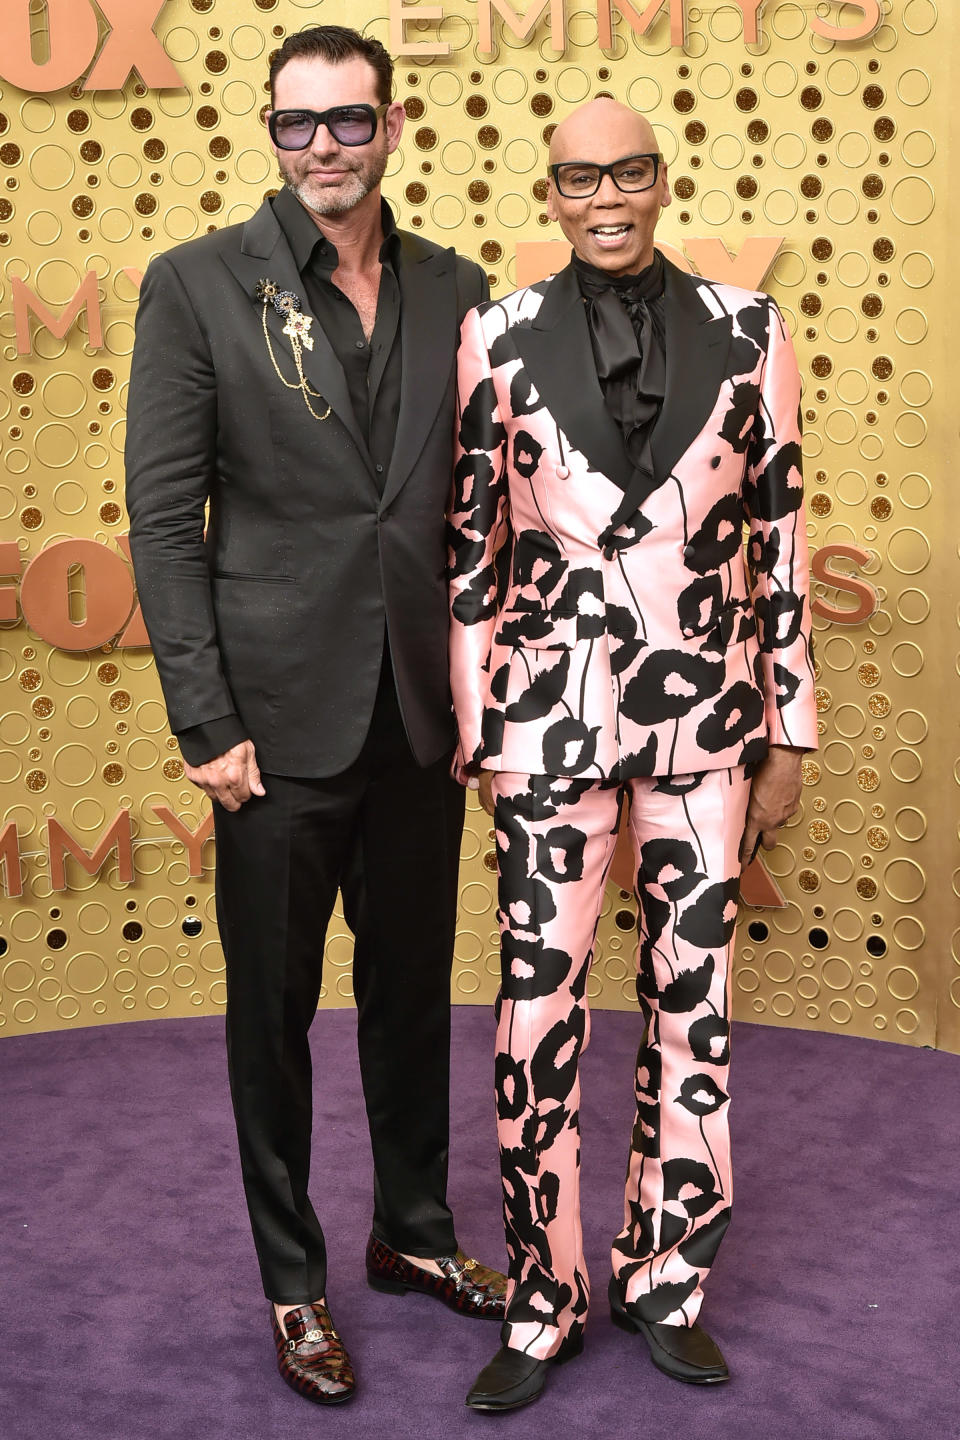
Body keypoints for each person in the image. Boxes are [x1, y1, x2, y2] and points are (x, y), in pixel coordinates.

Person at [125, 24, 505, 1407]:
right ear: (268, 133)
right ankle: (295, 1280)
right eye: (300, 125)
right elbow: (166, 525)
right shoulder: (196, 287)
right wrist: (205, 720)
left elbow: (483, 505)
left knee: (412, 998)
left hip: (420, 716)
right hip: (269, 733)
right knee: (269, 1015)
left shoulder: (461, 289)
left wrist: (484, 691)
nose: (325, 148)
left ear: (393, 126)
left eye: (350, 122)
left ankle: (413, 1232)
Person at [448, 97, 817, 1411]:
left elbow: (778, 534)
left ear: (663, 182)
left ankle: (665, 1277)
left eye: (629, 172)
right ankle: (545, 1302)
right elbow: (476, 550)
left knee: (692, 1009)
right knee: (536, 1013)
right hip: (548, 727)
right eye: (578, 178)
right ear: (549, 195)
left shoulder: (752, 330)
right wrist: (486, 725)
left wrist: (788, 728)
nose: (605, 195)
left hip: (711, 723)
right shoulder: (491, 338)